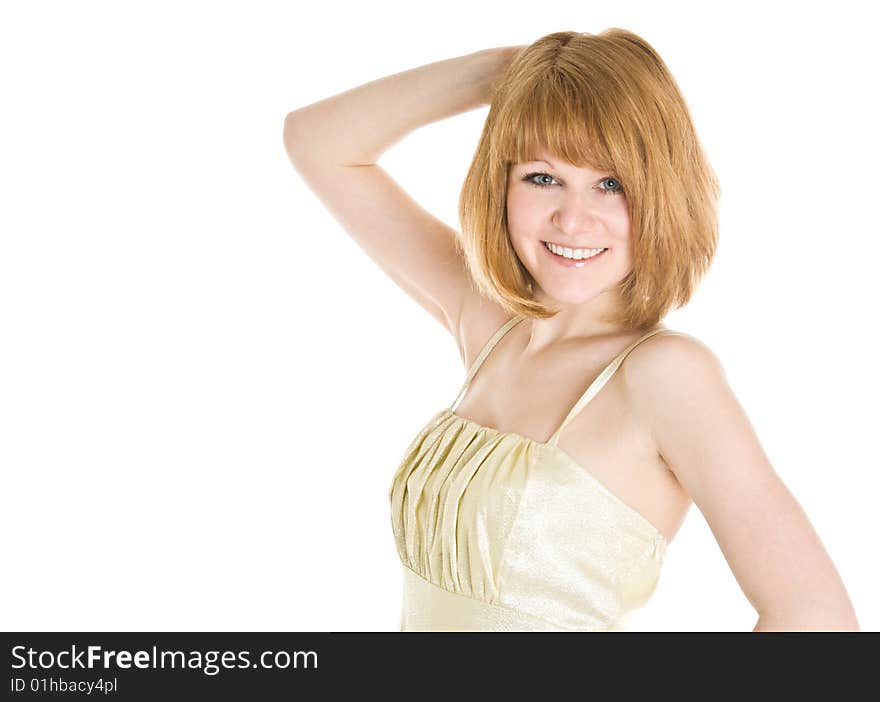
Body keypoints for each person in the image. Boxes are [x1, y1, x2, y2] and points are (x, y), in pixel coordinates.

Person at [282, 29, 859, 631]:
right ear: (500, 184)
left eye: (610, 184)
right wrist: (503, 75)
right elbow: (315, 141)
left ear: (661, 194)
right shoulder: (489, 326)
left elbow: (815, 616)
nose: (572, 218)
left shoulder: (665, 375)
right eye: (541, 177)